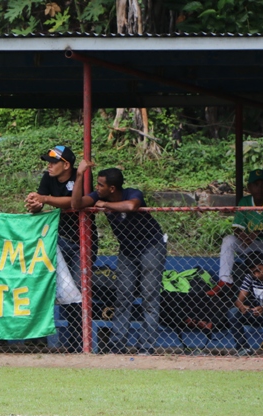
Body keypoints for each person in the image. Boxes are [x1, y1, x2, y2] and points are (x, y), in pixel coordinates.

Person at [71, 160, 167, 355]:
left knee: (149, 296)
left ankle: (146, 347)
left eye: (101, 185)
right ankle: (117, 345)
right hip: (127, 250)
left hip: (151, 246)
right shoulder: (98, 195)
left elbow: (132, 206)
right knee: (123, 296)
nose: (97, 188)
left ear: (112, 188)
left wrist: (106, 205)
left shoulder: (131, 193)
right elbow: (76, 204)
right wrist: (79, 175)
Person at [25, 145, 94, 351]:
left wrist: (45, 199)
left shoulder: (82, 176)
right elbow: (40, 202)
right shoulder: (48, 178)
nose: (49, 166)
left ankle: (79, 343)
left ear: (66, 165)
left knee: (79, 291)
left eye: (53, 162)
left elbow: (75, 203)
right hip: (57, 240)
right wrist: (35, 204)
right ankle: (40, 339)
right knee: (48, 286)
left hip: (82, 241)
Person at [207, 169, 263, 297]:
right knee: (229, 239)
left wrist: (257, 233)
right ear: (249, 187)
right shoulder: (245, 201)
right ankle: (225, 281)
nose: (259, 188)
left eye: (262, 184)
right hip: (252, 244)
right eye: (256, 185)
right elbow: (237, 227)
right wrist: (242, 235)